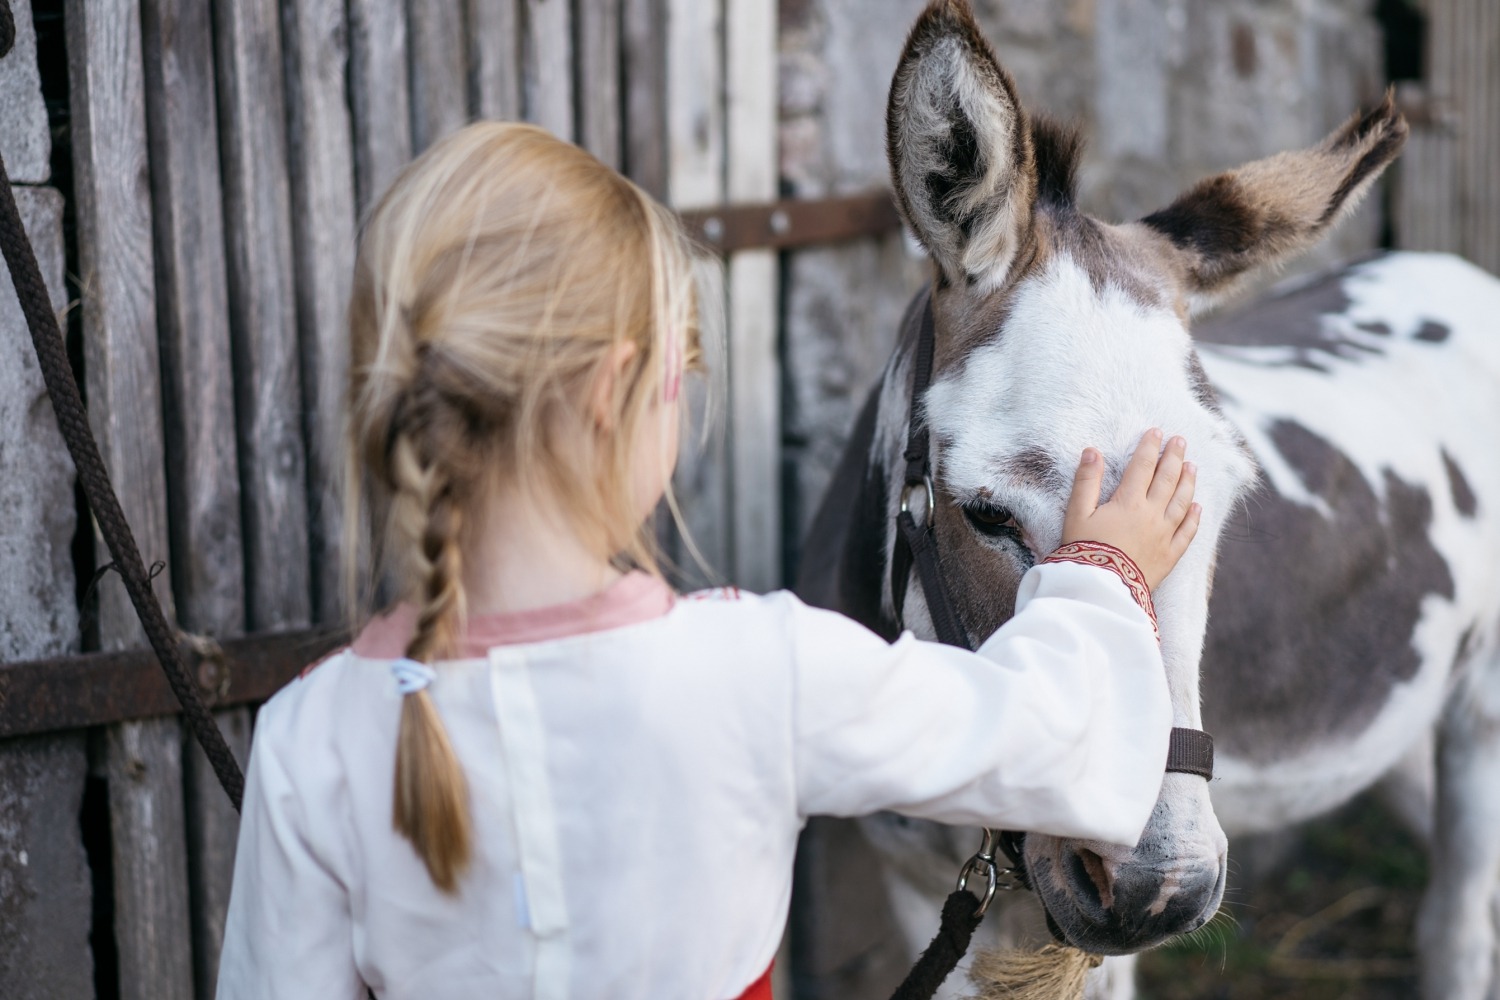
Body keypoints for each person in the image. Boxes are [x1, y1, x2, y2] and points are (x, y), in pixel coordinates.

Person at [215, 122, 1201, 1000]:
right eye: (679, 378)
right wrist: (1102, 568)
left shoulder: (310, 737)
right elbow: (1053, 742)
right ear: (614, 392)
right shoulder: (757, 670)